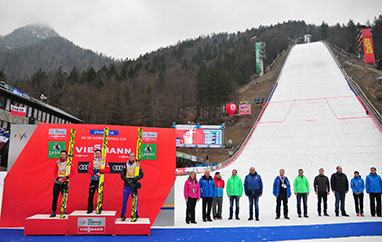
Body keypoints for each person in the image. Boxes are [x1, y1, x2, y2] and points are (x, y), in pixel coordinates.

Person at [50, 150, 75, 217]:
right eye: (61, 154)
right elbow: (54, 172)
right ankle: (53, 212)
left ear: (66, 155)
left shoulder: (69, 162)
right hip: (57, 182)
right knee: (55, 197)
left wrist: (65, 178)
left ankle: (63, 210)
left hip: (65, 182)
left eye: (64, 154)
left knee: (64, 197)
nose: (62, 156)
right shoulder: (57, 162)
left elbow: (72, 172)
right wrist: (58, 179)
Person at [120, 152, 144, 221]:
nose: (131, 157)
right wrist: (127, 180)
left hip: (134, 184)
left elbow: (141, 174)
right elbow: (122, 175)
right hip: (127, 184)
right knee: (125, 200)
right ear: (128, 157)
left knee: (135, 200)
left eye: (133, 156)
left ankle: (135, 214)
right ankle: (122, 215)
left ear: (134, 157)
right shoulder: (126, 165)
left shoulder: (137, 165)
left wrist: (135, 179)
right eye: (130, 156)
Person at [87, 149, 110, 214]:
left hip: (100, 180)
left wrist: (100, 171)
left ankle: (99, 208)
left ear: (101, 154)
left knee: (100, 194)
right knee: (91, 194)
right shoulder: (92, 161)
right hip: (93, 179)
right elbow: (89, 170)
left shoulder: (104, 161)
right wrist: (93, 174)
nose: (98, 155)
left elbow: (108, 170)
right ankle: (90, 209)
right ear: (95, 154)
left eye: (99, 153)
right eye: (96, 153)